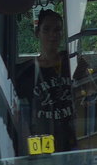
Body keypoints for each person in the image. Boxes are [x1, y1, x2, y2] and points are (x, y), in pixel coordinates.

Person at [14, 9, 92, 153]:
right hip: (41, 140)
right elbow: (20, 115)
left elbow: (89, 96)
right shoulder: (25, 73)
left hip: (73, 137)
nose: (52, 35)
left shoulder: (74, 64)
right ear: (37, 33)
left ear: (62, 33)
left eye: (57, 30)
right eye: (46, 29)